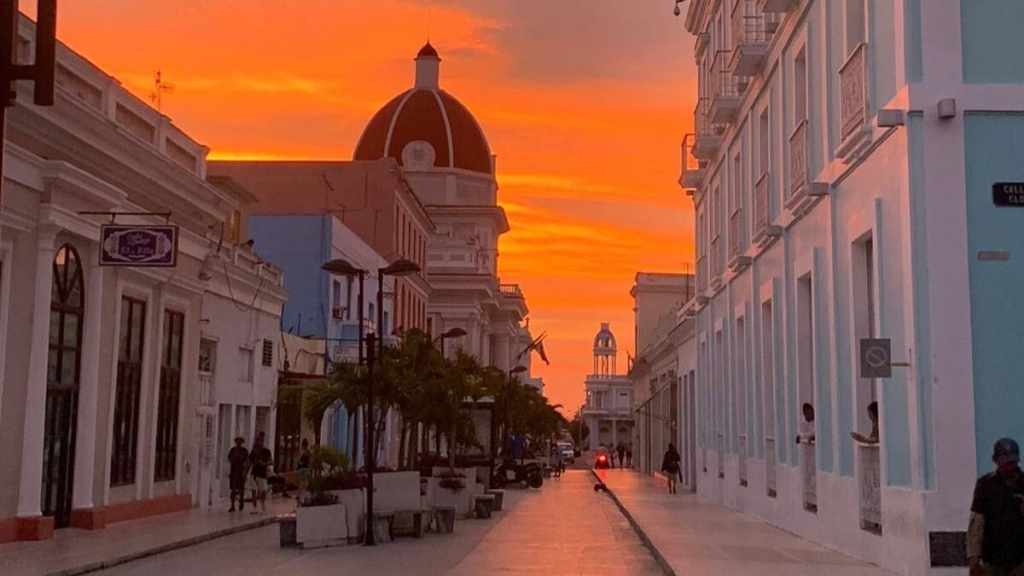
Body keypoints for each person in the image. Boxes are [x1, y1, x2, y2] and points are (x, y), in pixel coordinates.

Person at [967, 438, 1024, 576]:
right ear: (995, 460)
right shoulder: (985, 484)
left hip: (1020, 562)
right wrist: (974, 558)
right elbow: (976, 523)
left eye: (1012, 462)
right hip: (991, 561)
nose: (1010, 467)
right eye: (1005, 463)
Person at [248, 432, 273, 514]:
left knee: (263, 490)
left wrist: (265, 463)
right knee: (254, 490)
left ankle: (262, 504)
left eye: (261, 440)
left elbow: (271, 461)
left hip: (262, 474)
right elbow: (249, 462)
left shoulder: (266, 451)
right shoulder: (254, 452)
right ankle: (254, 507)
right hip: (254, 473)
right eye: (258, 440)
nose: (259, 442)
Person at [227, 436, 249, 512]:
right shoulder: (233, 450)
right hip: (233, 471)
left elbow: (247, 462)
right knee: (233, 489)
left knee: (241, 489)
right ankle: (232, 505)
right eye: (237, 441)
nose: (238, 443)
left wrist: (245, 472)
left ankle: (241, 501)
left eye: (240, 441)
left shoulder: (244, 451)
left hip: (241, 472)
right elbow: (229, 459)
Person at [296, 438, 312, 503]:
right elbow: (310, 461)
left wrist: (300, 463)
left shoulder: (303, 452)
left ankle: (300, 495)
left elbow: (299, 461)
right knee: (304, 483)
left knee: (302, 482)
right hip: (305, 468)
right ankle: (302, 495)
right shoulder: (308, 452)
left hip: (302, 468)